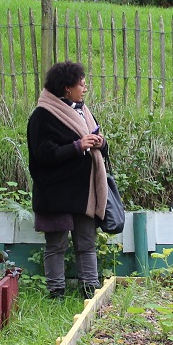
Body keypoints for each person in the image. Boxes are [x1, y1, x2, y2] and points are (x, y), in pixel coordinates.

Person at [27, 60, 108, 299]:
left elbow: (100, 150)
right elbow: (42, 154)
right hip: (55, 193)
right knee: (56, 246)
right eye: (81, 84)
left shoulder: (84, 112)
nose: (85, 88)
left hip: (84, 193)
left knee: (87, 243)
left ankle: (90, 292)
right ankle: (56, 294)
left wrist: (100, 143)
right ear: (67, 88)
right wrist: (78, 145)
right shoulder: (42, 115)